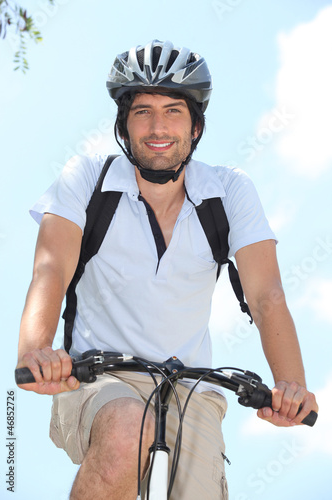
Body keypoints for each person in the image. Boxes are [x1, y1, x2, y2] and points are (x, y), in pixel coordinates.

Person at [16, 40, 318, 500]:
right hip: (99, 378)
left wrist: (291, 385)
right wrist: (37, 352)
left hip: (192, 388)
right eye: (142, 112)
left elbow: (267, 295)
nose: (158, 127)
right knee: (125, 432)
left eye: (173, 111)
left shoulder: (229, 192)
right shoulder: (87, 179)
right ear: (124, 124)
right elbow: (51, 270)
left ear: (196, 126)